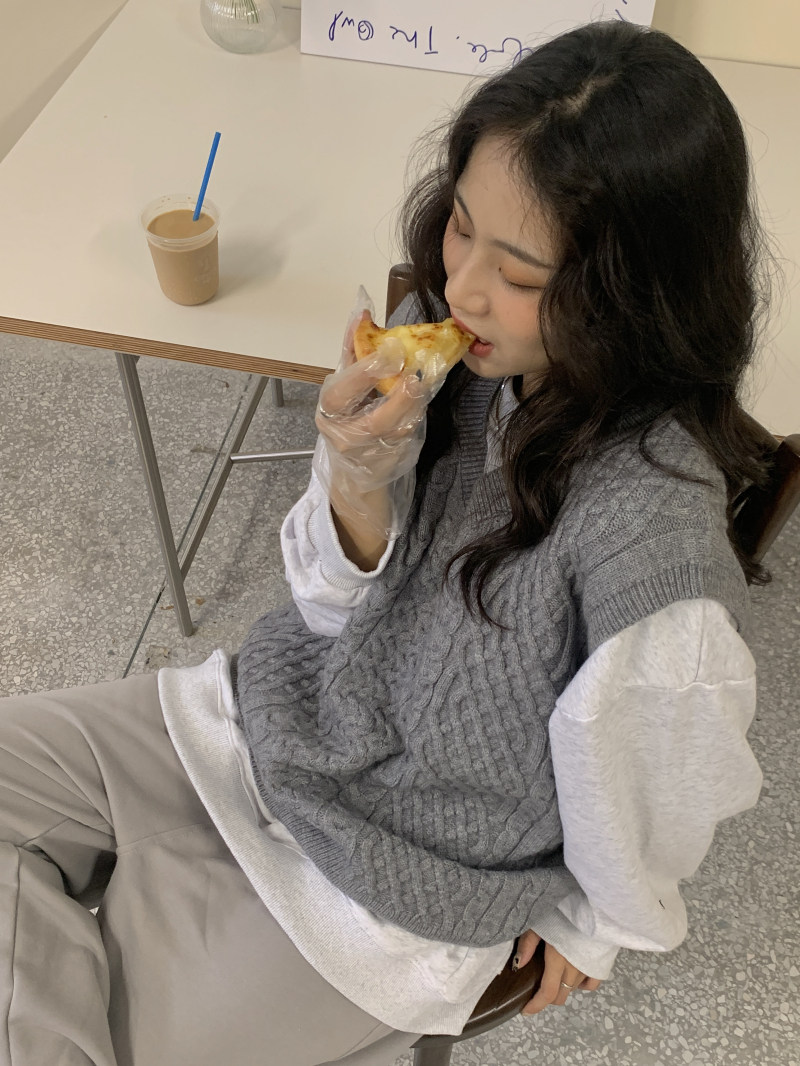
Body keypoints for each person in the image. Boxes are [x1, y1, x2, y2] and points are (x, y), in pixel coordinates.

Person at [0, 18, 773, 1066]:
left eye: (520, 272)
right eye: (461, 226)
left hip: (393, 892)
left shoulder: (652, 549)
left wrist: (595, 923)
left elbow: (659, 786)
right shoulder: (456, 356)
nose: (462, 288)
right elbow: (330, 613)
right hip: (266, 724)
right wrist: (358, 478)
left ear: (632, 290)